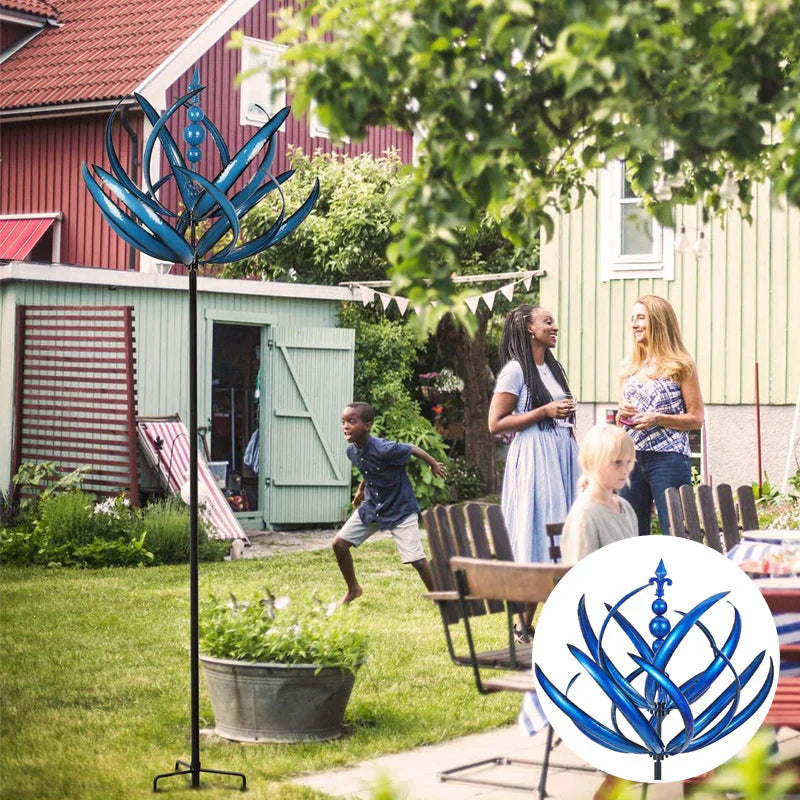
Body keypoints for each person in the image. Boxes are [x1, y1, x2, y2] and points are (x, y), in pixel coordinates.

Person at [488, 304, 579, 566]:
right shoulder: (515, 371)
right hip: (536, 454)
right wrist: (545, 411)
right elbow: (495, 424)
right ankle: (527, 596)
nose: (555, 327)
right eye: (548, 322)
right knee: (543, 520)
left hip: (562, 451)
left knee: (567, 520)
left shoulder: (552, 368)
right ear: (530, 328)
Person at [332, 401, 447, 604]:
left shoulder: (384, 448)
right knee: (339, 544)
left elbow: (412, 448)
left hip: (399, 507)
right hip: (373, 506)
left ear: (367, 425)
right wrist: (360, 493)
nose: (346, 426)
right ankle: (353, 589)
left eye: (352, 421)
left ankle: (440, 597)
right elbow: (369, 471)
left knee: (416, 559)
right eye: (343, 422)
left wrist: (433, 464)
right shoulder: (352, 451)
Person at [617, 295, 704, 537]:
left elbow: (696, 418)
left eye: (641, 318)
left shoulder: (680, 365)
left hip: (669, 459)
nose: (634, 324)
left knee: (675, 532)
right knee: (631, 533)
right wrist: (620, 414)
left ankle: (676, 575)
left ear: (658, 321)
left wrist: (658, 418)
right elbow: (621, 421)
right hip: (630, 459)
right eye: (632, 318)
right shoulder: (628, 367)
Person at [559, 424, 637, 564]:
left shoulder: (625, 508)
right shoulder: (585, 514)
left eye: (629, 462)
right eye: (617, 462)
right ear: (593, 462)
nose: (625, 470)